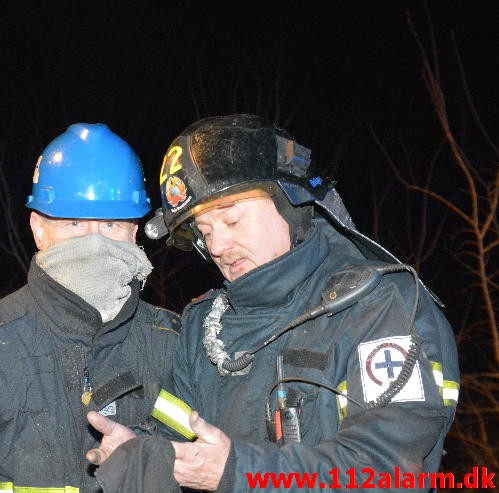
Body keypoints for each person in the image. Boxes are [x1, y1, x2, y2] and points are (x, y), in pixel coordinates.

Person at [86, 114, 460, 492]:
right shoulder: (203, 327)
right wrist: (141, 453)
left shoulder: (377, 306)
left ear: (288, 204)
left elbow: (385, 471)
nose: (217, 247)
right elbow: (178, 441)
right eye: (205, 232)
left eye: (231, 220)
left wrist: (238, 471)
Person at [0, 123, 180, 492]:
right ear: (38, 230)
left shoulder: (173, 345)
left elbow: (239, 471)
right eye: (73, 223)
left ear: (134, 232)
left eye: (110, 224)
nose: (95, 245)